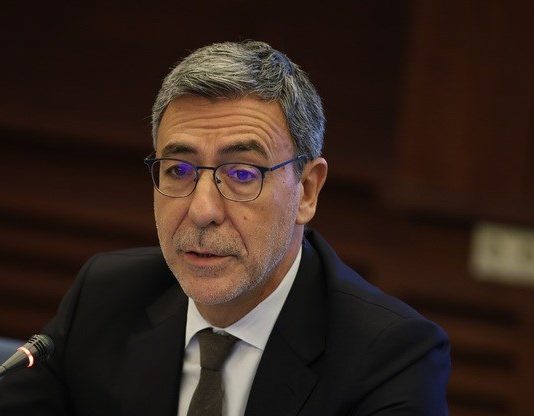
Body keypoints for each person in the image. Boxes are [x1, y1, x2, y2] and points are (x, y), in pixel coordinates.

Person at [0, 40, 450, 415]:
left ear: (307, 191)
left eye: (242, 174)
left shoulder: (389, 356)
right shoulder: (108, 295)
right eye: (179, 170)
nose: (202, 210)